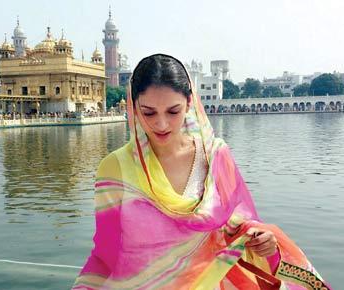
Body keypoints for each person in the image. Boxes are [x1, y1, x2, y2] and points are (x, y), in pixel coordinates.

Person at [73, 54, 330, 289]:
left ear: (189, 103)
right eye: (148, 112)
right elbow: (105, 253)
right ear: (133, 107)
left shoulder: (216, 157)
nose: (161, 124)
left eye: (173, 111)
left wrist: (264, 242)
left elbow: (240, 227)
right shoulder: (115, 167)